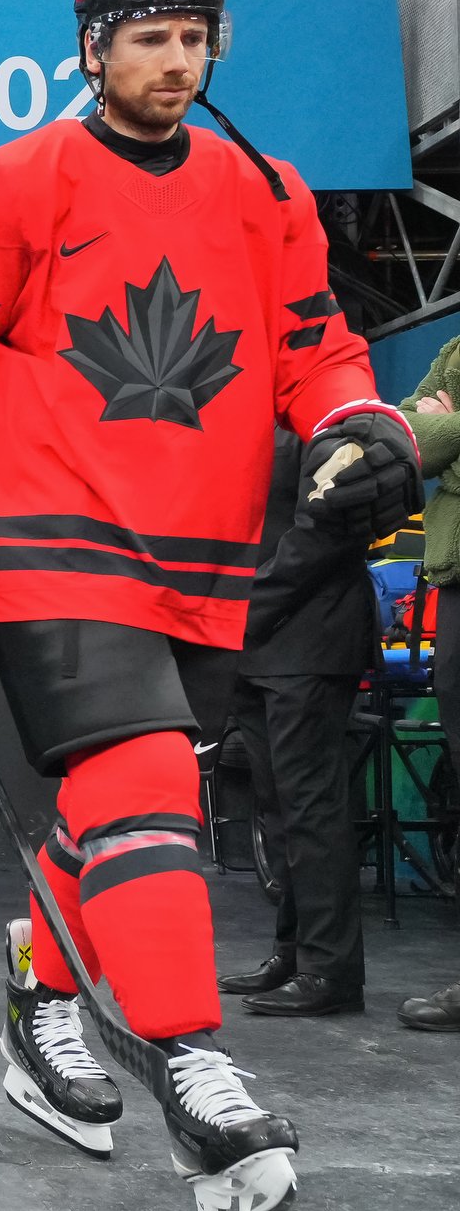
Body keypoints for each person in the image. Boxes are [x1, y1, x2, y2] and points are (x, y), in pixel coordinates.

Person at [0, 0, 419, 1211]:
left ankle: (37, 990)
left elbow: (313, 349)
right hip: (52, 537)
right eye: (148, 36)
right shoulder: (10, 180)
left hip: (208, 560)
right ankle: (192, 1068)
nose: (174, 59)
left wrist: (360, 419)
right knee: (148, 774)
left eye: (192, 36)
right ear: (92, 47)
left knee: (114, 800)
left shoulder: (267, 192)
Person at [218, 430, 375, 1017]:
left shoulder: (331, 420)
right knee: (276, 805)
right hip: (254, 641)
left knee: (311, 805)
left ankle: (330, 969)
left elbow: (327, 530)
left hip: (310, 634)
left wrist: (246, 604)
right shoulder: (244, 415)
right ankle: (294, 950)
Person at [396, 338, 460, 1031]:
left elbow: (436, 435)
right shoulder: (456, 349)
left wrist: (452, 428)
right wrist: (437, 427)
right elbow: (409, 432)